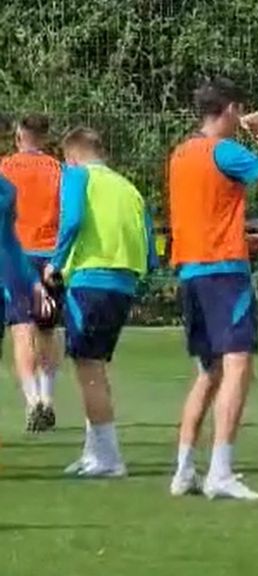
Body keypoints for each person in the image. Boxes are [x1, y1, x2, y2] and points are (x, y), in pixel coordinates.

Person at [167, 76, 258, 500]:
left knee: (208, 372)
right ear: (228, 110)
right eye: (239, 111)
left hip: (192, 271)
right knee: (238, 364)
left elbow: (202, 214)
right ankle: (220, 471)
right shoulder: (226, 150)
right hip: (224, 274)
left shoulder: (181, 153)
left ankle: (184, 470)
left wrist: (242, 238)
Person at [46, 128, 158, 478]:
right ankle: (94, 451)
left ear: (73, 156)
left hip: (91, 278)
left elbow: (73, 219)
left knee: (88, 368)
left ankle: (109, 458)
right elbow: (150, 239)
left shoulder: (78, 175)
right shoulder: (129, 188)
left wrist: (56, 261)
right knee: (95, 365)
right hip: (123, 281)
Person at [0, 114, 64, 432]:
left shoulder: (5, 168)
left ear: (19, 136)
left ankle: (32, 399)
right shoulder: (58, 170)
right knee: (47, 329)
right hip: (51, 255)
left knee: (21, 328)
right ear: (46, 137)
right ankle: (49, 398)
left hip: (15, 256)